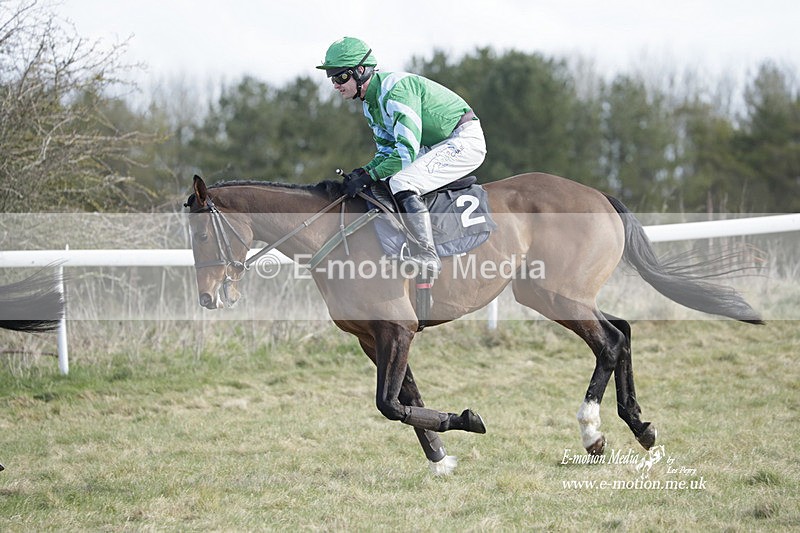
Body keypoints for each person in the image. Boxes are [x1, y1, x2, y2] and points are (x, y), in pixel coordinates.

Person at [317, 37, 487, 275]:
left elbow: (405, 152)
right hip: (435, 145)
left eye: (341, 76)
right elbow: (387, 151)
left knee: (401, 181)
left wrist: (370, 174)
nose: (335, 84)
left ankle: (427, 254)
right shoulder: (370, 103)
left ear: (361, 71)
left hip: (463, 140)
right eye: (332, 78)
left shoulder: (396, 90)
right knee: (384, 181)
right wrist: (365, 172)